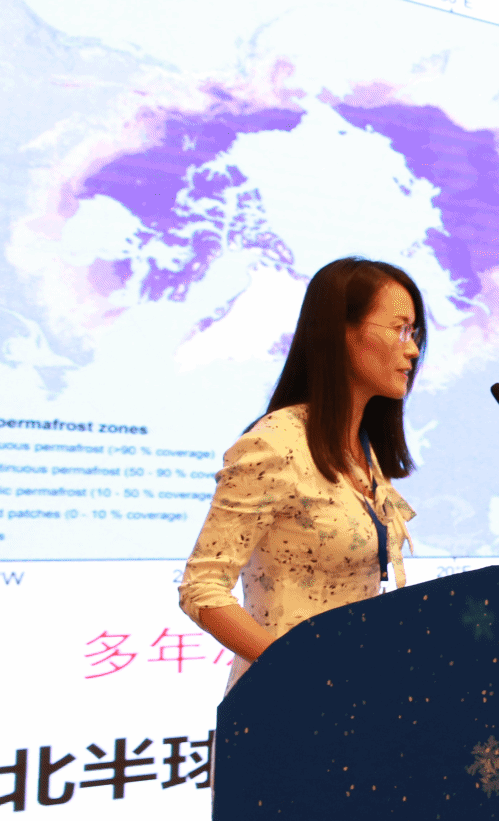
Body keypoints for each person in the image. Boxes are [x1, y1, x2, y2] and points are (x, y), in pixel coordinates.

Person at [180, 258, 425, 688]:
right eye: (400, 329)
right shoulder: (275, 444)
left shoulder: (363, 451)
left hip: (355, 697)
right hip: (287, 700)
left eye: (415, 333)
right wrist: (300, 672)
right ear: (342, 332)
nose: (413, 350)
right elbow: (202, 588)